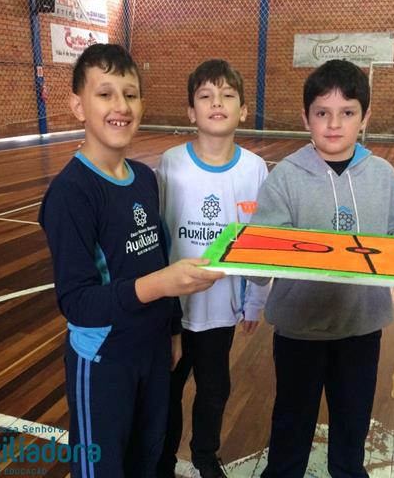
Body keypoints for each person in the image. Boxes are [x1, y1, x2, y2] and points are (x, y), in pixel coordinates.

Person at [38, 43, 223, 478]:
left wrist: (173, 328)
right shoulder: (70, 193)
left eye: (131, 94)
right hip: (105, 359)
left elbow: (158, 253)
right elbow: (77, 303)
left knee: (148, 458)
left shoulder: (143, 178)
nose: (121, 106)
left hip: (153, 351)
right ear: (78, 106)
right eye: (105, 94)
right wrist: (162, 285)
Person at [249, 59, 394, 478]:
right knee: (292, 420)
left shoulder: (382, 174)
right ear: (306, 118)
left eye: (347, 112)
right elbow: (263, 250)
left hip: (361, 326)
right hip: (299, 329)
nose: (334, 124)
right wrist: (253, 270)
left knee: (352, 421)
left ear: (364, 117)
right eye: (322, 113)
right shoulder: (285, 177)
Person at [156, 59, 270, 478]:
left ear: (243, 110)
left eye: (227, 95)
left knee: (215, 389)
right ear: (191, 111)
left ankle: (205, 456)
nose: (216, 103)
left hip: (220, 309)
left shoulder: (254, 168)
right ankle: (162, 461)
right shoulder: (170, 163)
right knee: (166, 392)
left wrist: (255, 300)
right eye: (205, 96)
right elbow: (158, 235)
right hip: (172, 310)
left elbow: (259, 243)